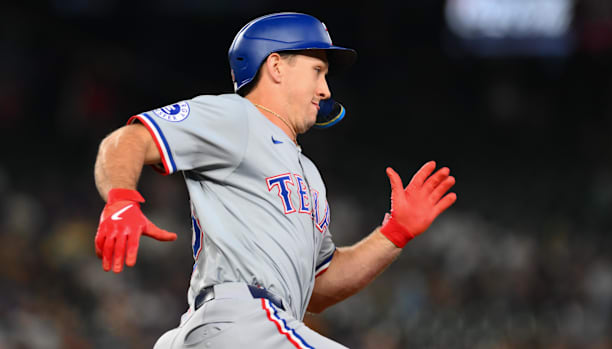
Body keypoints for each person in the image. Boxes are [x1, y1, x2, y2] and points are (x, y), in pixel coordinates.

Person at [93, 12, 457, 348]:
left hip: (259, 327)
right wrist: (121, 197)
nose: (326, 90)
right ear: (277, 66)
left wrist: (393, 235)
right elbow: (129, 139)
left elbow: (318, 289)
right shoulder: (237, 116)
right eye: (317, 70)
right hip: (239, 321)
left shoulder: (309, 174)